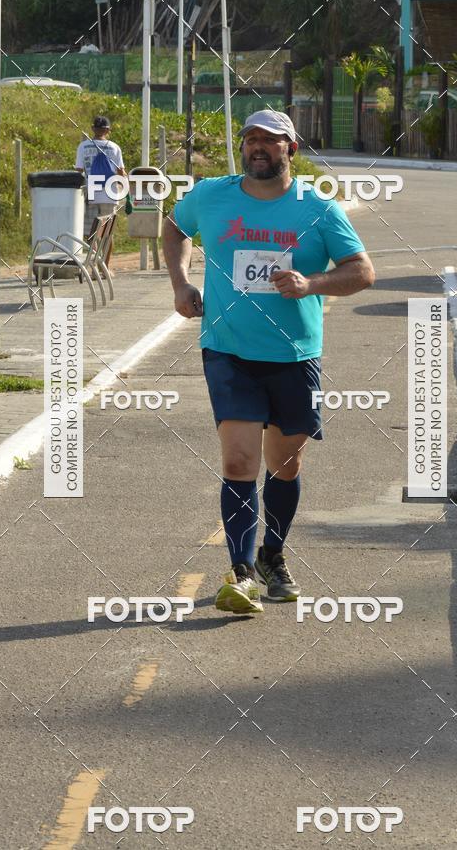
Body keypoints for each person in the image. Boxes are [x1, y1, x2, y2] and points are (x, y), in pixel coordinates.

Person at [162, 109, 375, 615]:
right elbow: (174, 228)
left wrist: (311, 283)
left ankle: (272, 557)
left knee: (285, 463)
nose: (259, 147)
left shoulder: (318, 209)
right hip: (228, 349)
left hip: (293, 353)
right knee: (238, 460)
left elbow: (363, 271)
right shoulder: (212, 194)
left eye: (271, 141)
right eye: (251, 139)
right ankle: (240, 573)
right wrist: (180, 283)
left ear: (290, 150)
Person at [75, 115, 127, 266]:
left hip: (90, 193)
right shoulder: (115, 147)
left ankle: (94, 263)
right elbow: (120, 172)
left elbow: (79, 170)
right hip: (110, 194)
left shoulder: (83, 146)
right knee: (107, 233)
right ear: (108, 130)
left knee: (90, 233)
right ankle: (105, 266)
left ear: (93, 129)